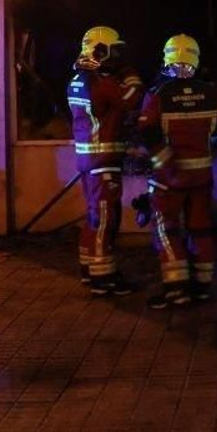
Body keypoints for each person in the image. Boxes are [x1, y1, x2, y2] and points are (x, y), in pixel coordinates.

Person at [136, 34, 217, 309]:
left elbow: (146, 133)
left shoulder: (158, 93)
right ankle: (203, 287)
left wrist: (167, 165)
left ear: (167, 57)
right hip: (201, 177)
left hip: (167, 180)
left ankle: (176, 290)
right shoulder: (211, 92)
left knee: (167, 230)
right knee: (201, 230)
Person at [66, 25, 144, 296]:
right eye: (114, 52)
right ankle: (103, 278)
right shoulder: (102, 83)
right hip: (104, 161)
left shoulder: (77, 78)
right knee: (105, 219)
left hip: (88, 160)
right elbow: (132, 99)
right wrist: (131, 75)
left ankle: (89, 269)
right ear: (99, 51)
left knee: (92, 217)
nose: (118, 57)